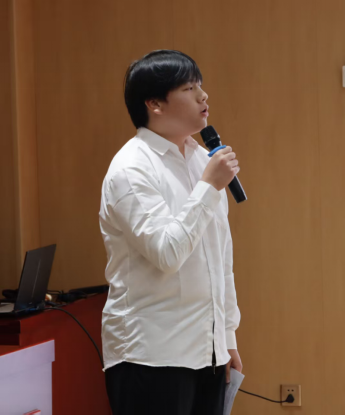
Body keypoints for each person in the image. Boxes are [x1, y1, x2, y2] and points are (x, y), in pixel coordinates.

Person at [98, 50, 242, 415]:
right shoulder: (131, 168)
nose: (203, 96)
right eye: (189, 88)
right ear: (155, 104)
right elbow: (166, 253)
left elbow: (220, 258)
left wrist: (226, 336)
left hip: (207, 351)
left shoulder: (201, 159)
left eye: (200, 86)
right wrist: (209, 187)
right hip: (151, 354)